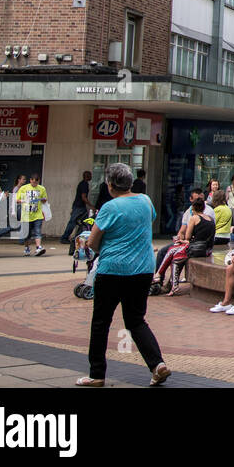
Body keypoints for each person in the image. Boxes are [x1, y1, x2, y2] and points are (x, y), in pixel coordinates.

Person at [80, 162, 169, 386]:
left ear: (110, 185)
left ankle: (96, 374)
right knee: (136, 320)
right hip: (143, 269)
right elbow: (145, 223)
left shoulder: (110, 207)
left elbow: (92, 241)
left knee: (101, 322)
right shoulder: (146, 200)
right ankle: (157, 364)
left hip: (113, 270)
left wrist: (104, 249)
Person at [153, 196, 215, 294]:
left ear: (193, 208)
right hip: (206, 249)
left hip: (196, 248)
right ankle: (165, 280)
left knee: (173, 251)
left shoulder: (194, 218)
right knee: (176, 252)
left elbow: (187, 236)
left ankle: (161, 277)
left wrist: (183, 241)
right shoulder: (210, 218)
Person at [15, 173, 49, 256]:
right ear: (30, 180)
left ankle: (38, 247)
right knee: (27, 234)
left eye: (36, 183)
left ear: (38, 181)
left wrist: (42, 199)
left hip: (37, 214)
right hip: (26, 215)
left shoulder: (41, 188)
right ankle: (27, 248)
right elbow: (17, 200)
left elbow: (45, 200)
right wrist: (25, 201)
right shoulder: (24, 188)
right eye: (33, 182)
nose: (34, 184)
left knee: (38, 231)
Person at [61, 171, 93, 242]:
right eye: (90, 175)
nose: (91, 177)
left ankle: (81, 236)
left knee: (84, 222)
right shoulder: (84, 184)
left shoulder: (82, 183)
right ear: (87, 176)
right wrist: (91, 206)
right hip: (79, 206)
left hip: (79, 206)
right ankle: (65, 237)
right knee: (73, 222)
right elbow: (83, 197)